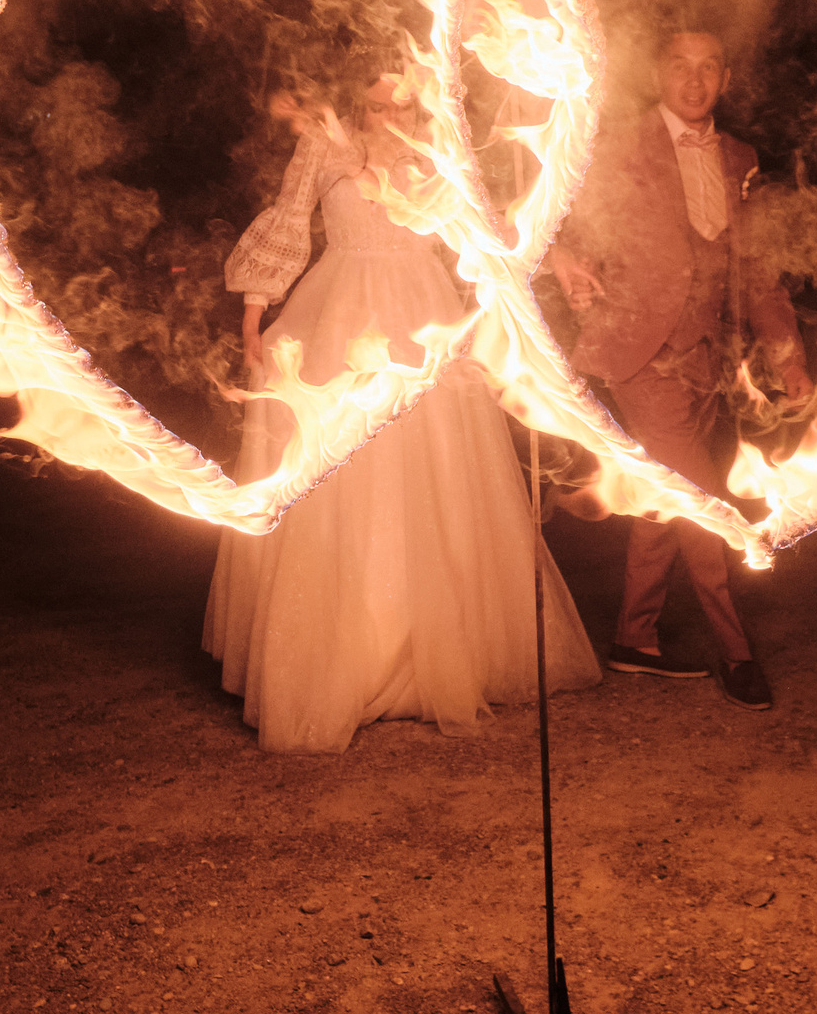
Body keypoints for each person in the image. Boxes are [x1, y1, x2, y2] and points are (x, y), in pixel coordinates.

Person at [204, 76, 601, 753]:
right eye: (377, 103)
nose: (391, 114)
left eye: (402, 103)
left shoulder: (437, 144)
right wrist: (252, 315)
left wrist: (555, 254)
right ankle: (350, 656)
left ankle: (441, 653)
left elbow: (485, 221)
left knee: (438, 468)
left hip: (423, 314)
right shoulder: (326, 144)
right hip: (341, 312)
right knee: (347, 474)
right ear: (356, 101)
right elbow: (289, 218)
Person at [551, 29, 813, 711]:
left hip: (709, 356)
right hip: (640, 352)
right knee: (702, 500)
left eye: (708, 68)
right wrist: (569, 266)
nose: (693, 81)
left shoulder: (741, 157)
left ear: (725, 78)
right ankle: (737, 651)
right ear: (657, 73)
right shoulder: (616, 148)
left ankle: (633, 638)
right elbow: (565, 221)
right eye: (679, 66)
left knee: (666, 495)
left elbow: (756, 267)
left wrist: (787, 358)